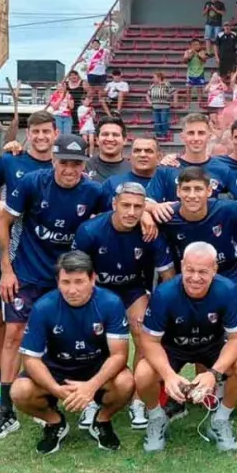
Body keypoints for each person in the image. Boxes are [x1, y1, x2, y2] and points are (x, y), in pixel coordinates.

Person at [0, 134, 115, 441]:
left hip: (70, 279)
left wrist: (146, 213)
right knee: (14, 334)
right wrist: (5, 270)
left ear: (85, 165)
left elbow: (119, 214)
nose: (70, 169)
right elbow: (3, 223)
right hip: (29, 273)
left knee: (83, 335)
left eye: (77, 164)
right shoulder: (32, 183)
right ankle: (5, 409)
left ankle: (87, 398)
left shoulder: (93, 191)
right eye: (64, 162)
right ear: (54, 160)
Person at [72, 181, 175, 429]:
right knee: (90, 336)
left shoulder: (151, 232)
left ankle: (138, 400)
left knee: (145, 331)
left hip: (132, 289)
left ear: (144, 209)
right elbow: (77, 273)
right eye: (125, 205)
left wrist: (164, 307)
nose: (131, 212)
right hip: (97, 292)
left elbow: (168, 276)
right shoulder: (90, 230)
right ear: (114, 204)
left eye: (137, 207)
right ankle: (91, 399)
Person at [11, 251, 135, 454]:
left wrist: (91, 386)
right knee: (19, 391)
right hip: (57, 372)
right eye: (66, 282)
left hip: (97, 370)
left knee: (126, 382)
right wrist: (56, 389)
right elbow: (31, 359)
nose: (72, 290)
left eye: (79, 282)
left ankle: (102, 421)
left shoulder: (111, 303)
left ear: (92, 279)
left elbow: (119, 355)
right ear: (57, 282)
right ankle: (55, 422)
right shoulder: (44, 307)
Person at [134, 242, 237, 452]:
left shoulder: (228, 290)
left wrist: (213, 374)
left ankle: (220, 419)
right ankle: (156, 418)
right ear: (182, 265)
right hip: (173, 347)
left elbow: (236, 339)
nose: (195, 277)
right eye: (190, 270)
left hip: (212, 346)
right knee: (143, 372)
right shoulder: (164, 294)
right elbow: (150, 342)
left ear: (215, 269)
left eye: (203, 271)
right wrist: (168, 375)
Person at [0, 110, 57, 410]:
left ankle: (38, 378)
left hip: (41, 257)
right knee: (0, 320)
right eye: (35, 131)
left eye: (46, 132)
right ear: (28, 133)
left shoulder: (63, 164)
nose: (40, 137)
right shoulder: (11, 160)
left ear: (55, 133)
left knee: (40, 321)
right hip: (4, 254)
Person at [156, 166, 237, 282]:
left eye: (198, 189)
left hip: (226, 274)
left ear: (209, 191)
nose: (192, 195)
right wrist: (148, 213)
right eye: (186, 189)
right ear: (178, 191)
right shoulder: (166, 216)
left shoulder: (227, 208)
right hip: (187, 277)